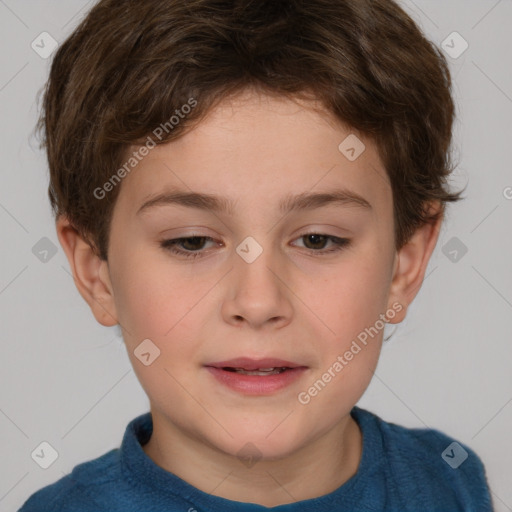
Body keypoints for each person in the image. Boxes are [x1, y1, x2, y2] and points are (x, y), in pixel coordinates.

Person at [19, 0, 493, 510]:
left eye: (317, 240)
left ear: (406, 262)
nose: (259, 301)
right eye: (192, 242)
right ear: (97, 274)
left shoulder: (450, 482)